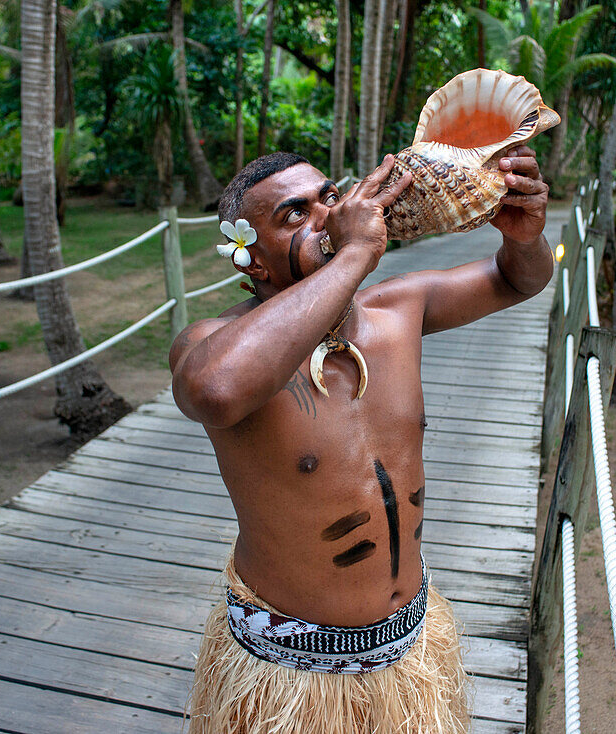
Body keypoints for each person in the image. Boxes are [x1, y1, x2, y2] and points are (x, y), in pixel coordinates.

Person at [170, 148, 552, 734]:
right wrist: (354, 252)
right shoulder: (215, 343)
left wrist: (523, 238)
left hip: (408, 652)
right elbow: (217, 393)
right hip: (286, 676)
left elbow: (515, 279)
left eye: (329, 197)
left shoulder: (397, 308)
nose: (328, 215)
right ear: (254, 265)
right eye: (294, 216)